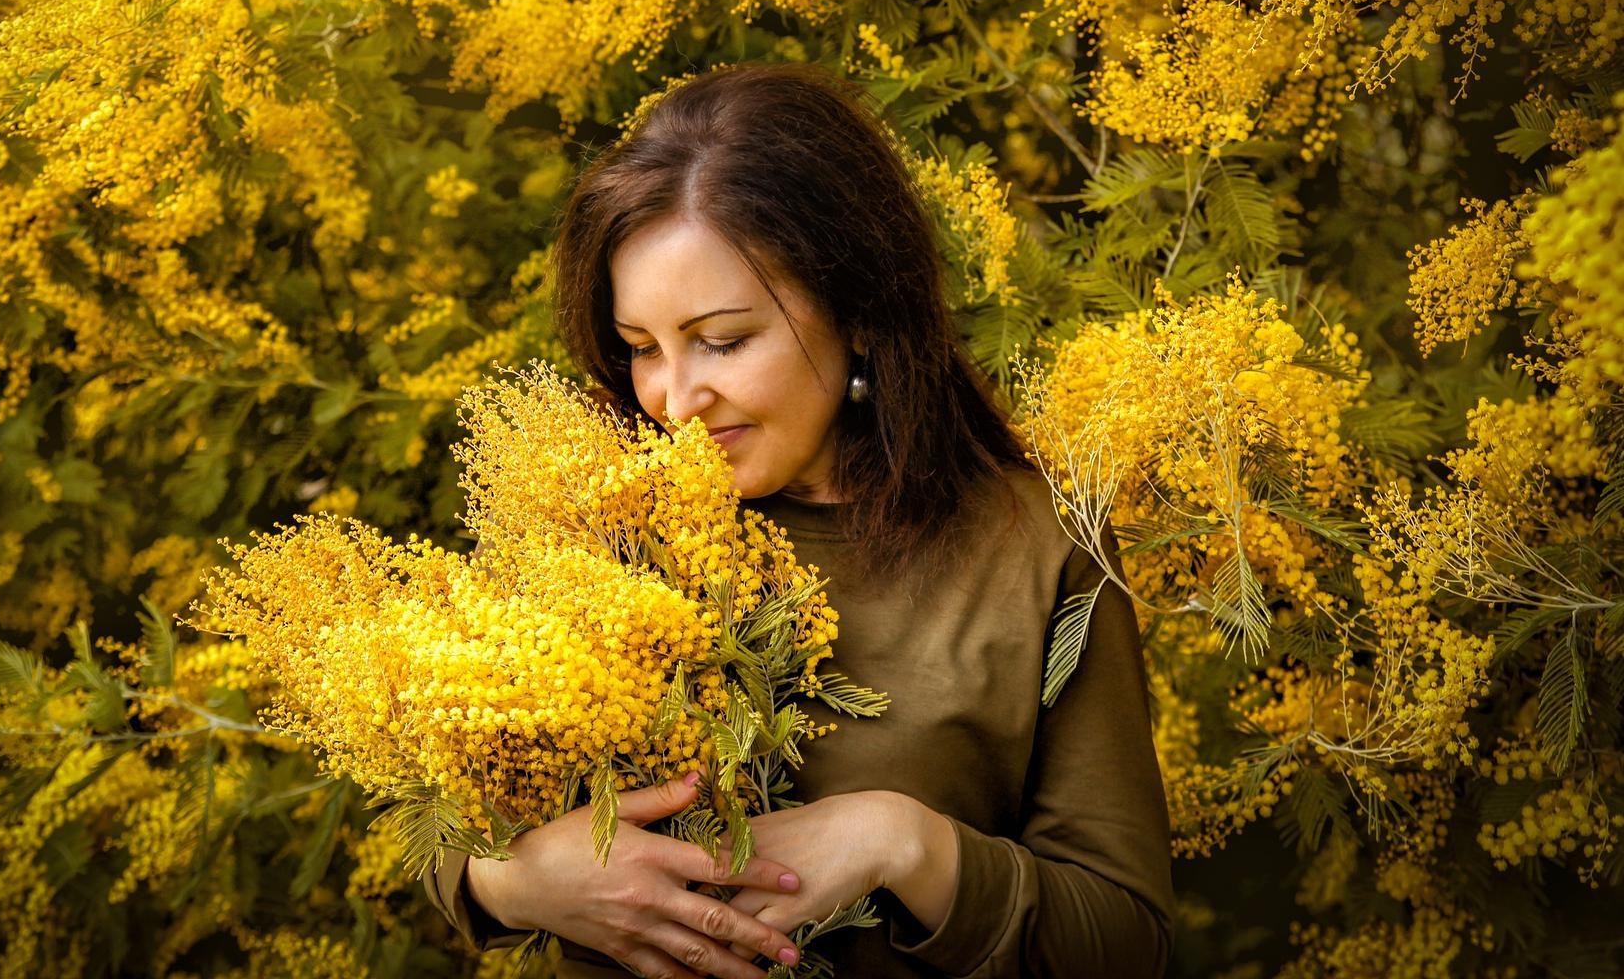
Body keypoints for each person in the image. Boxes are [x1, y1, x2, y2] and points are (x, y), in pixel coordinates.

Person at [421, 61, 1174, 978]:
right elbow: (443, 827)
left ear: (857, 309)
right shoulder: (590, 513)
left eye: (724, 340)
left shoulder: (1038, 552)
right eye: (639, 350)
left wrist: (901, 841)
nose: (675, 399)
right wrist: (515, 884)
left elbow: (1125, 941)